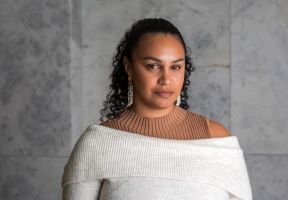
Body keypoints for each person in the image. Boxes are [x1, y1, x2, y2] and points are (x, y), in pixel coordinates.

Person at [61, 18, 252, 200]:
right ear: (128, 67)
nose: (166, 79)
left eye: (176, 67)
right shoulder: (97, 144)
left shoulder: (217, 140)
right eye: (153, 66)